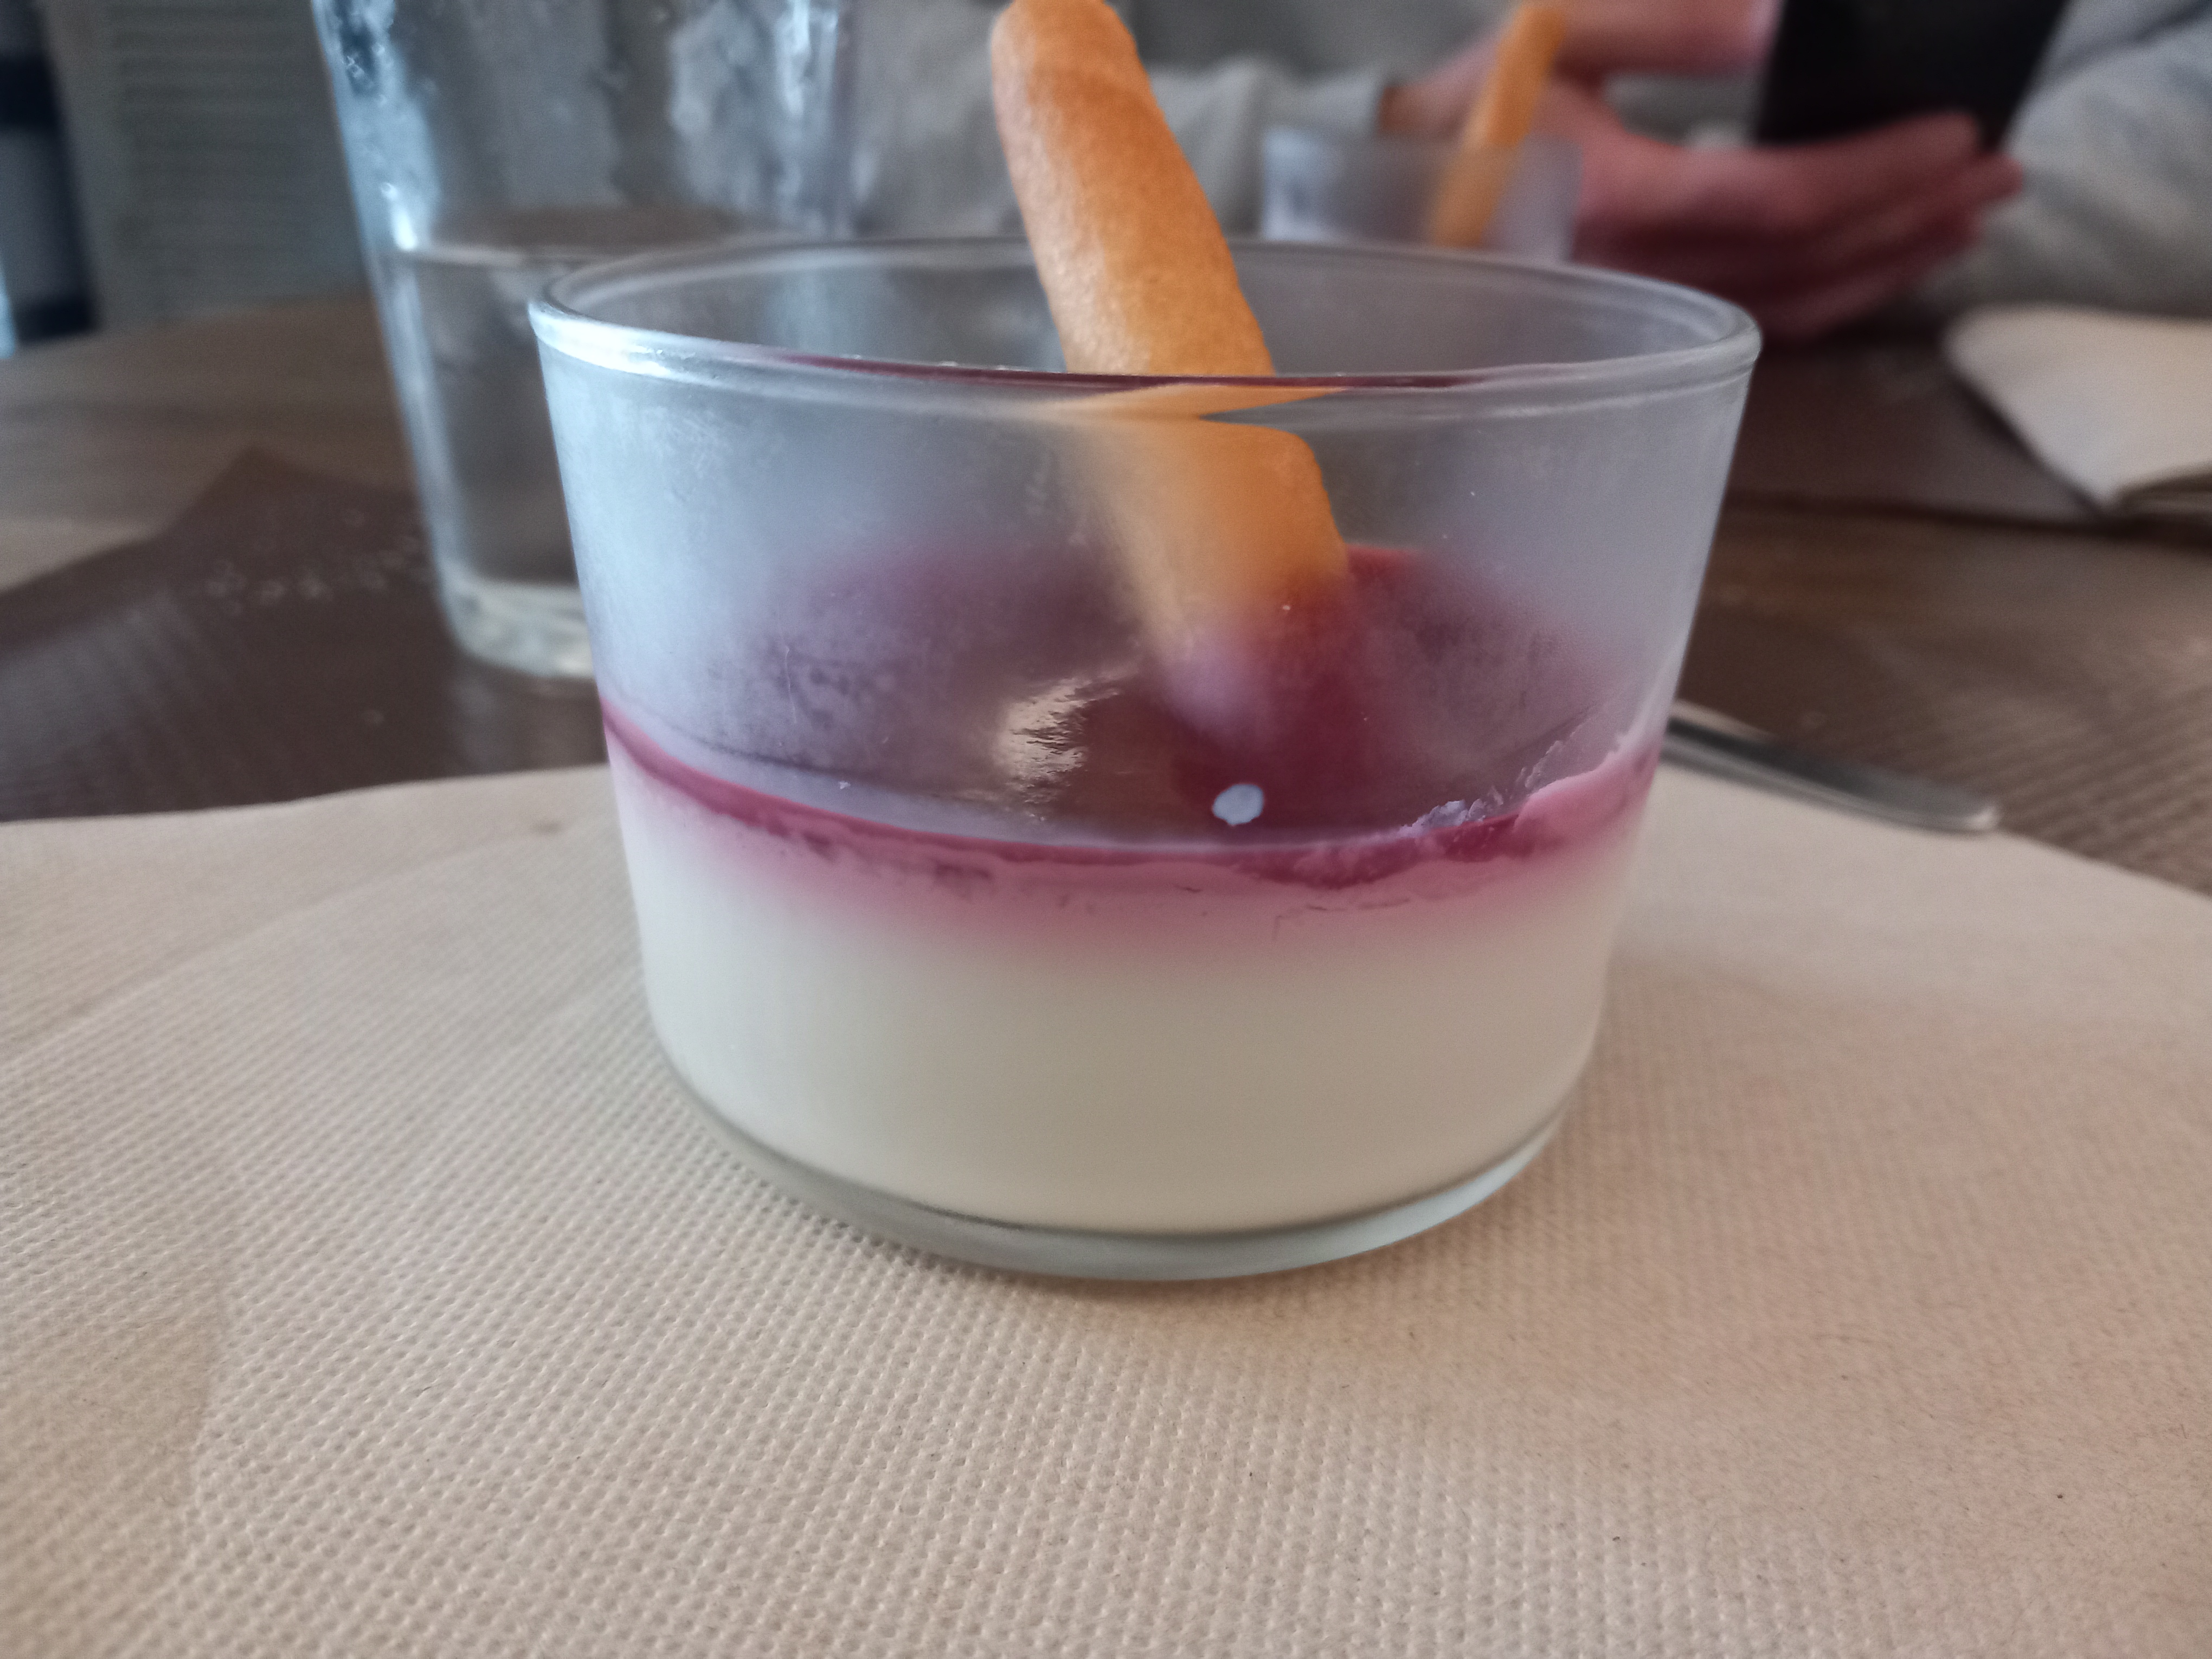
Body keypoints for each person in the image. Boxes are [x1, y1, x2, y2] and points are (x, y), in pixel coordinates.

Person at [853, 0, 2212, 339]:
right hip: (1048, 364)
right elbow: (833, 87)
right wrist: (1391, 153)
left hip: (1910, 384)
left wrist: (1896, 208)